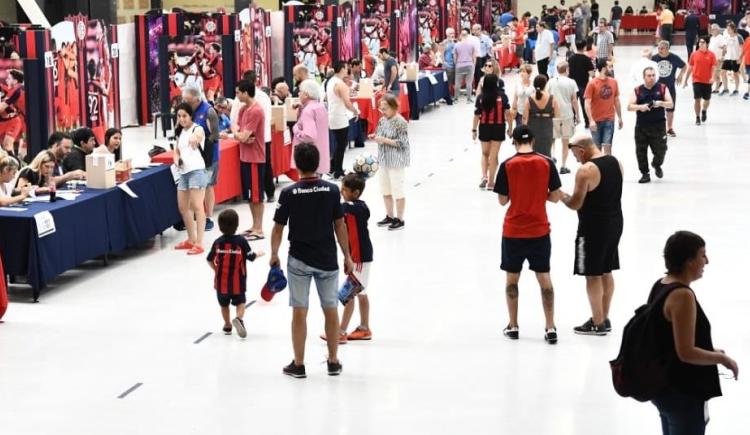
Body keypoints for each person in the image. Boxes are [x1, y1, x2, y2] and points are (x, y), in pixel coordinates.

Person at [270, 143, 354, 379]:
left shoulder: (288, 193)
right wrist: (346, 255)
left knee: (300, 311)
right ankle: (333, 361)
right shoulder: (332, 190)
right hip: (327, 259)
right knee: (330, 309)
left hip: (299, 260)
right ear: (318, 163)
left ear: (297, 165)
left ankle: (299, 364)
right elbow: (340, 225)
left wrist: (274, 254)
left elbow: (278, 228)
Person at [649, 231, 739, 435]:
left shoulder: (661, 284)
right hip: (682, 391)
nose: (706, 261)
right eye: (702, 255)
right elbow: (686, 352)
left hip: (664, 387)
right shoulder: (682, 295)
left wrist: (709, 349)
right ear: (689, 261)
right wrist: (722, 359)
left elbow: (668, 338)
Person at [494, 125, 562, 344]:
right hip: (539, 230)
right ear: (533, 141)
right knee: (544, 278)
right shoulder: (546, 163)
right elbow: (555, 196)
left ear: (513, 142)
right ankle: (550, 327)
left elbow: (502, 200)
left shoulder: (507, 165)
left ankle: (513, 325)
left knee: (512, 279)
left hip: (513, 231)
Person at [561, 134, 623, 335]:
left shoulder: (586, 170)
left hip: (592, 228)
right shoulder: (615, 162)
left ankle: (597, 322)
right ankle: (603, 317)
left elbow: (575, 204)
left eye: (575, 154)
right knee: (606, 270)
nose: (576, 159)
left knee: (592, 274)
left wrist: (560, 196)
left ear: (581, 150)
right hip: (614, 223)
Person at [207, 209, 264, 338]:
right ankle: (238, 318)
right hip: (238, 282)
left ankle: (227, 325)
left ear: (220, 227)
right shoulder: (241, 242)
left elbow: (209, 259)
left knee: (224, 304)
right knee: (240, 302)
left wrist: (215, 269)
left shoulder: (218, 242)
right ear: (237, 225)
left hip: (221, 283)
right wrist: (259, 254)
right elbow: (251, 257)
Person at [337, 173, 374, 342]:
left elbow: (343, 208)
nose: (341, 192)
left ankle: (341, 331)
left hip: (360, 258)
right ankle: (364, 328)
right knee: (361, 292)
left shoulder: (358, 208)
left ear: (356, 193)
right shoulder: (351, 206)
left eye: (344, 190)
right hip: (358, 257)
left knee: (348, 295)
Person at [182, 84, 220, 231]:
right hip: (192, 156)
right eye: (184, 99)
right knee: (193, 186)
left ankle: (209, 217)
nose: (186, 103)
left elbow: (215, 136)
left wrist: (200, 139)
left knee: (207, 185)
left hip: (209, 155)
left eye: (189, 100)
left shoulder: (209, 111)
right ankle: (194, 216)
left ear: (197, 99)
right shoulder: (186, 110)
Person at [370, 94, 409, 231]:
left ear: (394, 107)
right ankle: (390, 215)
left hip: (396, 161)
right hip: (384, 160)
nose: (383, 111)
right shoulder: (382, 120)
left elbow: (402, 143)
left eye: (385, 108)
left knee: (398, 190)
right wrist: (375, 137)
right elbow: (380, 135)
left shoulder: (401, 122)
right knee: (385, 190)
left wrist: (384, 140)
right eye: (381, 109)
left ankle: (400, 218)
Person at [627, 66, 673, 184]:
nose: (652, 78)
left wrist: (660, 103)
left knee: (661, 150)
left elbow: (670, 104)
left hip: (659, 126)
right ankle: (645, 173)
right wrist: (640, 107)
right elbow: (629, 106)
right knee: (641, 151)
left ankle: (656, 164)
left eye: (653, 75)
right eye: (649, 76)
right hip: (642, 126)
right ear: (644, 77)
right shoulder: (637, 90)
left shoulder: (662, 88)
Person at [173, 102, 207, 256]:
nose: (182, 119)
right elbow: (177, 151)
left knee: (198, 207)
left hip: (196, 171)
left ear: (191, 115)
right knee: (183, 207)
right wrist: (176, 160)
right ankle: (191, 239)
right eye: (179, 116)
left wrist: (195, 138)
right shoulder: (180, 132)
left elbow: (198, 135)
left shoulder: (197, 128)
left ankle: (199, 243)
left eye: (184, 116)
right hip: (183, 173)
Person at [233, 79, 266, 241]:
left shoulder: (256, 111)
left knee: (257, 196)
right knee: (250, 196)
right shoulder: (243, 110)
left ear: (246, 92)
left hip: (255, 159)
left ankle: (259, 229)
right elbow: (238, 130)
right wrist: (240, 135)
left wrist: (239, 136)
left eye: (238, 92)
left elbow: (243, 135)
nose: (236, 95)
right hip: (245, 157)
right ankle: (254, 226)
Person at [472, 74, 510, 190]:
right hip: (498, 127)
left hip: (484, 127)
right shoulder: (502, 97)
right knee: (494, 156)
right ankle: (491, 182)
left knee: (484, 153)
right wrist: (511, 128)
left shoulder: (480, 98)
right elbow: (508, 114)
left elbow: (476, 115)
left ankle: (484, 176)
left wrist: (474, 129)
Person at [327, 61, 359, 179]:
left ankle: (332, 168)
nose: (347, 70)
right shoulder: (340, 84)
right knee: (341, 145)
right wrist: (355, 111)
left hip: (333, 115)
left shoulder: (331, 81)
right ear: (341, 69)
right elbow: (347, 103)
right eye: (346, 68)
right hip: (340, 117)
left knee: (339, 144)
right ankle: (338, 171)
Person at [584, 59, 623, 155]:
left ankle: (607, 168)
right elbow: (587, 103)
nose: (611, 69)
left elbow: (616, 100)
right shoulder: (592, 84)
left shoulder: (614, 82)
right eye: (609, 67)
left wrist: (620, 117)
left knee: (608, 145)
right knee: (597, 147)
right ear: (603, 68)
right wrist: (591, 120)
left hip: (609, 119)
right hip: (596, 120)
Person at [547, 61, 580, 173]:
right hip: (567, 114)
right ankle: (563, 165)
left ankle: (551, 157)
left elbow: (547, 97)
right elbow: (574, 100)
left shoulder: (551, 82)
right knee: (565, 140)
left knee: (552, 138)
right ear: (567, 70)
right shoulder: (571, 82)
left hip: (553, 114)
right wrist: (578, 115)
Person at [292, 79, 330, 175]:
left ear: (306, 94)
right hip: (320, 157)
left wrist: (296, 129)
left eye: (300, 91)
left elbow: (309, 136)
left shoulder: (308, 110)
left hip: (309, 161)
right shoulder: (320, 107)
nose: (298, 94)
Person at [652, 41, 686, 136]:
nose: (659, 50)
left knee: (670, 109)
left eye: (662, 48)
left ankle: (670, 128)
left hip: (670, 88)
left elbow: (684, 66)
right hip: (657, 88)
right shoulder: (654, 58)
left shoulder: (674, 58)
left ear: (667, 49)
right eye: (658, 48)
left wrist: (680, 76)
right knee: (657, 108)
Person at [683, 36, 717, 126]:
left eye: (703, 42)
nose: (700, 44)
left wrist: (712, 78)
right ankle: (697, 117)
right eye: (699, 42)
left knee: (707, 99)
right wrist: (685, 80)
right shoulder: (694, 54)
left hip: (707, 81)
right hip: (696, 80)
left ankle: (704, 110)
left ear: (707, 44)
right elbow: (690, 68)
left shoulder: (712, 55)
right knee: (697, 99)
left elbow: (714, 68)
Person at [524, 74, 560, 157]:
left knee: (533, 152)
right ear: (545, 85)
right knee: (547, 151)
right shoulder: (552, 98)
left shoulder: (529, 99)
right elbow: (557, 115)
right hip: (547, 127)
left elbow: (525, 117)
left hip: (533, 127)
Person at [569, 39, 596, 128]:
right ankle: (587, 122)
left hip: (572, 85)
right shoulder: (586, 59)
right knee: (585, 104)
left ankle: (572, 121)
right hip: (583, 85)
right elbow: (592, 74)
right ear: (584, 47)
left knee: (572, 103)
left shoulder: (571, 58)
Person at [718, 22, 744, 96]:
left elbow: (743, 49)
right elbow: (725, 47)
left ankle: (736, 89)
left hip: (736, 58)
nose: (727, 30)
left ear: (733, 29)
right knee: (722, 72)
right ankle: (726, 88)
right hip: (727, 58)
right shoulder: (727, 37)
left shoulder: (739, 37)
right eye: (727, 29)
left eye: (729, 29)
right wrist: (723, 55)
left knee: (735, 74)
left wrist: (740, 58)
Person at [453, 29, 477, 103]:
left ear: (460, 35)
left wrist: (456, 64)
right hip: (469, 64)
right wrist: (474, 65)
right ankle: (468, 99)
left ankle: (456, 99)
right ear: (467, 35)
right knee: (469, 83)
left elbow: (454, 57)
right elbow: (474, 56)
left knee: (457, 83)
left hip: (459, 65)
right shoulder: (472, 45)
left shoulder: (456, 45)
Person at [509, 63, 535, 131]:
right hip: (519, 112)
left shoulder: (533, 85)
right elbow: (515, 98)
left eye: (524, 71)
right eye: (521, 71)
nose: (521, 73)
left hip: (530, 113)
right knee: (519, 131)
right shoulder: (518, 84)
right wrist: (513, 110)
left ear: (529, 74)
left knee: (529, 132)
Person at [472, 25, 494, 90]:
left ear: (479, 30)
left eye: (475, 30)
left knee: (485, 72)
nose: (474, 31)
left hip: (484, 57)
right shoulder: (472, 38)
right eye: (473, 30)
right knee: (477, 74)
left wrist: (491, 57)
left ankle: (486, 86)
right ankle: (477, 88)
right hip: (476, 58)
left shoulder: (486, 38)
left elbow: (490, 47)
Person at [442, 28, 457, 96]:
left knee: (454, 80)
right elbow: (442, 54)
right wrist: (444, 63)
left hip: (455, 64)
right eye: (451, 33)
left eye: (453, 33)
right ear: (447, 34)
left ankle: (453, 94)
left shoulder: (455, 42)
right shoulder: (444, 43)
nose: (453, 35)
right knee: (448, 81)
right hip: (448, 65)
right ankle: (448, 95)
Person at [742, 31, 750, 99]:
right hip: (747, 62)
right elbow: (744, 50)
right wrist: (740, 58)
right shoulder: (747, 39)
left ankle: (747, 92)